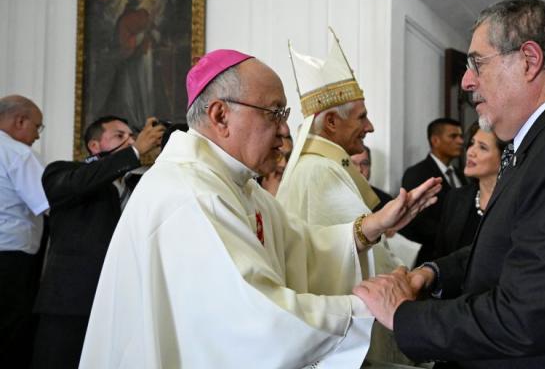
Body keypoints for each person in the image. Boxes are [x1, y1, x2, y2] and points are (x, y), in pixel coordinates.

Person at [78, 49, 441, 368]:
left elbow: (300, 250)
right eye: (274, 113)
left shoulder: (238, 185)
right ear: (220, 116)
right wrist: (368, 307)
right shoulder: (190, 194)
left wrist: (369, 228)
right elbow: (256, 319)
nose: (286, 130)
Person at [354, 0, 545, 368]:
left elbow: (524, 318)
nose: (466, 81)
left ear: (529, 60)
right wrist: (433, 273)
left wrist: (402, 314)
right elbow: (516, 244)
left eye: (477, 63)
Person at [278, 30, 418, 365]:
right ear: (329, 124)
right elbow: (341, 258)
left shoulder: (325, 165)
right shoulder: (318, 171)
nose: (369, 127)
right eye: (361, 117)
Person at [31, 115, 164, 369]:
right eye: (119, 136)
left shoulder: (142, 182)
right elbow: (80, 183)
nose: (130, 140)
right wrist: (134, 151)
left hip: (122, 299)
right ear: (94, 146)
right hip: (72, 300)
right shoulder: (63, 171)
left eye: (132, 136)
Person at [0, 95, 49, 368]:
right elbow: (49, 202)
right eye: (37, 127)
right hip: (10, 260)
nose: (37, 137)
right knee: (11, 336)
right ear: (20, 121)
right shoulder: (18, 154)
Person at [435, 122, 506, 262]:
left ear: (504, 159)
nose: (470, 152)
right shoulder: (456, 198)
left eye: (482, 147)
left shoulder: (515, 201)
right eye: (472, 143)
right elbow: (440, 255)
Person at [402, 118, 465, 265]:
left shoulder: (461, 174)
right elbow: (418, 219)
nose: (461, 141)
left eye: (461, 136)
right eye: (453, 136)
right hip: (431, 259)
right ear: (435, 140)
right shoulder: (417, 173)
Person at [351, 146, 393, 211]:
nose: (359, 169)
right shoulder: (333, 199)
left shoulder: (387, 202)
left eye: (364, 163)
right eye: (353, 164)